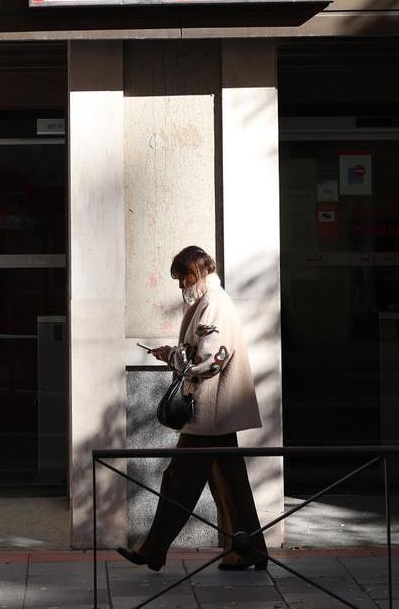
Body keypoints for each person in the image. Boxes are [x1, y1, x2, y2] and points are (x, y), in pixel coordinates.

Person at [117, 245, 269, 572]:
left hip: (209, 412)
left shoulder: (213, 304)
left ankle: (152, 550)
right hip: (216, 412)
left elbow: (211, 360)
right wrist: (172, 351)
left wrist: (174, 356)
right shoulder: (209, 302)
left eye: (182, 277)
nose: (180, 285)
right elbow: (202, 352)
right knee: (230, 483)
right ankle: (250, 550)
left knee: (178, 480)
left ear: (196, 272)